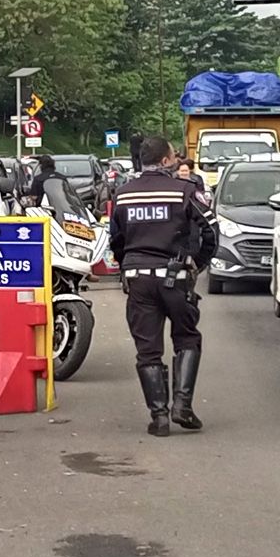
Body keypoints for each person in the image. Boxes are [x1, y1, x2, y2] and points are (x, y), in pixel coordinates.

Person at [109, 135, 218, 437]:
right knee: (186, 337)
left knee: (148, 349)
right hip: (176, 276)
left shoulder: (123, 194)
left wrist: (125, 266)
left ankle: (159, 417)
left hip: (137, 279)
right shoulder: (184, 191)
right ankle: (182, 406)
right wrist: (198, 262)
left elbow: (115, 239)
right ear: (167, 161)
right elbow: (211, 230)